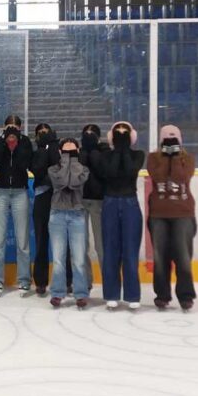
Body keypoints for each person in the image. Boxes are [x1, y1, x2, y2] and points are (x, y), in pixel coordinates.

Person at [146, 125, 197, 311]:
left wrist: (175, 156)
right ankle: (162, 295)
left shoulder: (187, 158)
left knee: (183, 257)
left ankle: (185, 295)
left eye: (174, 139)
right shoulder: (153, 158)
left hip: (183, 213)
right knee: (161, 257)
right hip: (158, 214)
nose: (170, 142)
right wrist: (166, 157)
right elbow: (158, 177)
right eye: (167, 139)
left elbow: (180, 178)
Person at [99, 121, 145, 309]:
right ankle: (111, 294)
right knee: (110, 250)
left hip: (130, 203)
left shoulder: (138, 155)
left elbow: (130, 172)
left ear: (131, 136)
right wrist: (118, 149)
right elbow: (109, 173)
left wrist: (124, 149)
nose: (121, 134)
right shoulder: (106, 155)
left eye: (124, 132)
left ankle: (133, 295)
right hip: (110, 202)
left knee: (130, 251)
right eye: (117, 132)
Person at [0, 115, 33, 295]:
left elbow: (25, 164)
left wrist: (17, 145)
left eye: (15, 127)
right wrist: (4, 143)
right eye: (9, 127)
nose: (12, 130)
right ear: (4, 127)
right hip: (0, 192)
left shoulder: (26, 143)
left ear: (20, 128)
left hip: (20, 192)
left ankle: (24, 279)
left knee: (22, 238)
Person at [48, 138, 91, 309]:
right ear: (60, 153)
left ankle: (80, 293)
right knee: (58, 258)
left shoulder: (83, 169)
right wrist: (66, 160)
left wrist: (72, 160)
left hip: (77, 214)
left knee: (79, 257)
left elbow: (73, 183)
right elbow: (61, 182)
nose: (69, 155)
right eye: (66, 152)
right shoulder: (52, 169)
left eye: (73, 152)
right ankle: (57, 292)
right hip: (57, 213)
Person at [31, 122, 63, 295]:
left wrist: (52, 146)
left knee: (61, 243)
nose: (43, 134)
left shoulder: (57, 150)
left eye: (46, 132)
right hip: (42, 198)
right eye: (40, 133)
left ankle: (67, 279)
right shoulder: (36, 153)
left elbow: (57, 167)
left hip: (58, 198)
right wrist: (43, 148)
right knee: (41, 241)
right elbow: (38, 169)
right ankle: (41, 281)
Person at [78, 123, 108, 292]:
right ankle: (85, 281)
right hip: (81, 201)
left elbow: (102, 170)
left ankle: (108, 282)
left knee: (100, 245)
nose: (88, 138)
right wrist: (84, 151)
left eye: (92, 135)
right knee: (81, 245)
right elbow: (79, 169)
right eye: (86, 135)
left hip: (98, 202)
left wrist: (93, 150)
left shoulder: (103, 152)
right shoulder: (79, 152)